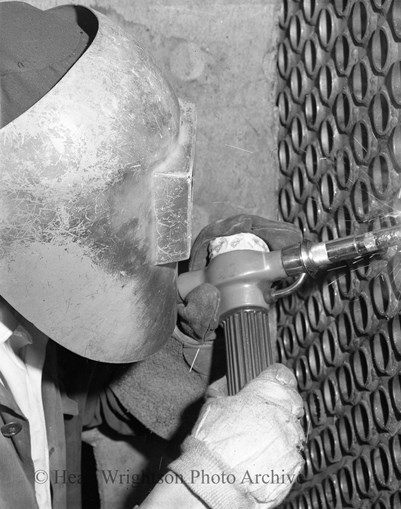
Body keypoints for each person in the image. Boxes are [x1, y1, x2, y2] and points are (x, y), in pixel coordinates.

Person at [0, 2, 304, 508]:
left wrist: (180, 336)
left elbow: (78, 405)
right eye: (110, 203)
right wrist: (205, 488)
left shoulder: (21, 311)